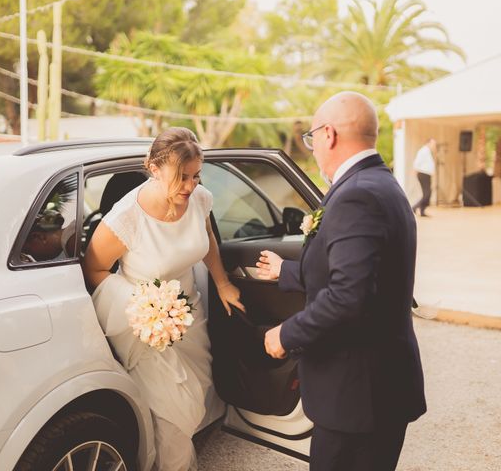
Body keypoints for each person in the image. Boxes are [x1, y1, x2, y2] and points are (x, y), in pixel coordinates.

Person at [256, 92, 426, 471]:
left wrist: (286, 334)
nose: (313, 150)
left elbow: (349, 296)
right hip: (378, 388)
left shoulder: (355, 196)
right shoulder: (382, 184)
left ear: (328, 134)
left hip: (358, 396)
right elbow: (366, 275)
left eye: (312, 139)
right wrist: (288, 270)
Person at [82, 127, 244, 471]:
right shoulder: (126, 218)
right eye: (182, 177)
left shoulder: (200, 199)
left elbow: (208, 238)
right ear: (153, 168)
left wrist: (223, 282)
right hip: (142, 323)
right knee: (168, 408)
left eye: (196, 176)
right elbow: (93, 269)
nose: (190, 186)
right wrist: (143, 306)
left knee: (195, 393)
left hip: (189, 313)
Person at [412, 138, 436, 217]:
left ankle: (422, 211)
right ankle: (414, 207)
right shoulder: (423, 151)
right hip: (423, 174)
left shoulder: (428, 152)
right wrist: (415, 171)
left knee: (428, 193)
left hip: (427, 174)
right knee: (427, 193)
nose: (434, 146)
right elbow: (417, 161)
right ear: (428, 143)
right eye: (433, 144)